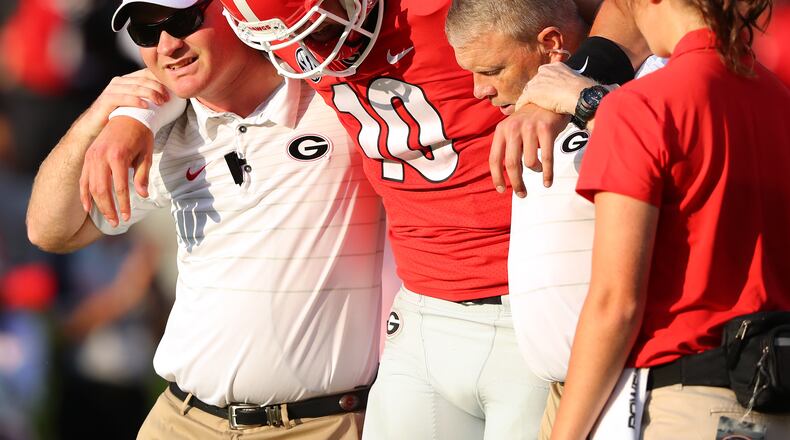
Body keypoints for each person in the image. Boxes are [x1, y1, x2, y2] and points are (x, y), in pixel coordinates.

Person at [80, 0, 650, 438]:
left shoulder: (436, 13)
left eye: (322, 30)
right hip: (420, 313)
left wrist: (556, 92)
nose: (314, 56)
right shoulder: (252, 24)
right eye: (288, 40)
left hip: (523, 307)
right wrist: (133, 113)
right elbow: (184, 53)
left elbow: (627, 14)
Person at [26, 0, 386, 438]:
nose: (167, 45)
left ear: (238, 11)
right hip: (179, 420)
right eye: (146, 32)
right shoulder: (168, 138)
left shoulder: (337, 103)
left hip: (318, 425)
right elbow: (49, 230)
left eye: (184, 20)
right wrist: (103, 115)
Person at [546, 0, 790, 436]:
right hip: (776, 398)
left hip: (683, 404)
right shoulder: (779, 97)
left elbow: (614, 304)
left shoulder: (643, 106)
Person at [445, 2, 664, 438]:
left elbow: (683, 170)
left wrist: (587, 101)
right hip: (561, 394)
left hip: (640, 386)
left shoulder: (650, 81)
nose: (477, 91)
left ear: (550, 44)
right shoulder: (523, 118)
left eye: (491, 69)